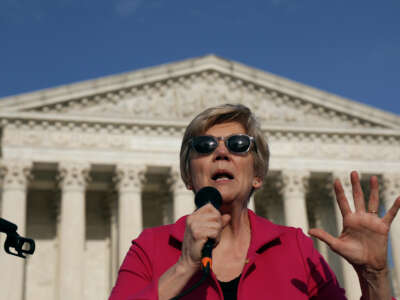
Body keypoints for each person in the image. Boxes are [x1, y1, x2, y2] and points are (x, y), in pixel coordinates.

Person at [109, 104, 400, 300]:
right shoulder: (151, 248)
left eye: (238, 145)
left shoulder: (295, 249)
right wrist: (183, 267)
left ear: (258, 175)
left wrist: (376, 274)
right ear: (188, 177)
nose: (221, 153)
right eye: (204, 146)